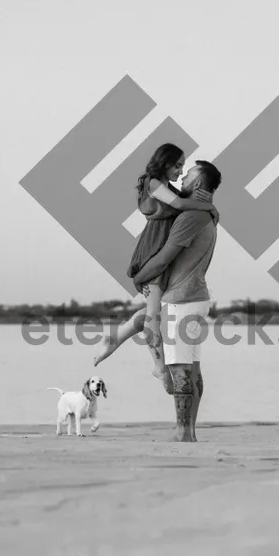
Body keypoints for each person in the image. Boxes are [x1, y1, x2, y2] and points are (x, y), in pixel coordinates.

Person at [92, 144, 217, 390]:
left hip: (161, 251)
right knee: (153, 316)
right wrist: (210, 208)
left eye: (184, 167)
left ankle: (115, 337)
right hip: (152, 252)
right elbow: (181, 207)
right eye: (178, 165)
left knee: (155, 313)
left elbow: (184, 203)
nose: (181, 172)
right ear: (164, 162)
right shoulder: (153, 184)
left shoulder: (168, 188)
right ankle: (159, 366)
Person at [130, 160, 221, 443]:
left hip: (181, 300)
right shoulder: (205, 216)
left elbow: (164, 256)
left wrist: (138, 277)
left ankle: (183, 433)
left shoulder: (190, 218)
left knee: (180, 367)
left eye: (189, 172)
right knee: (192, 367)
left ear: (197, 183)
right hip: (196, 297)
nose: (182, 175)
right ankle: (189, 430)